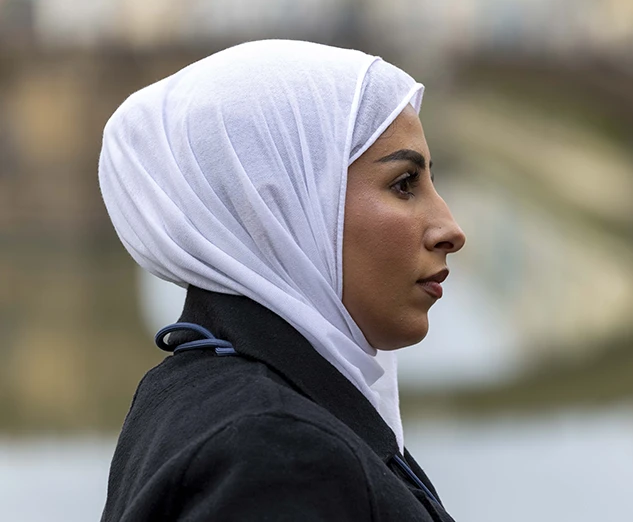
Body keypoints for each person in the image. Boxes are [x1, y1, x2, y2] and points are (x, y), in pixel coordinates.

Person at [97, 40, 466, 521]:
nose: (450, 230)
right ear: (280, 206)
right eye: (404, 184)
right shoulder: (276, 455)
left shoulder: (196, 387)